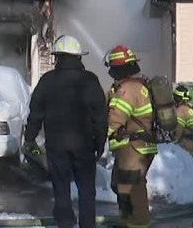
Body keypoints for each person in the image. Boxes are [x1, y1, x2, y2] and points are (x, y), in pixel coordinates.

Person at [24, 35, 107, 228]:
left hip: (56, 145)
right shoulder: (90, 80)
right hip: (85, 145)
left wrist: (30, 138)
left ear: (57, 57)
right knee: (87, 190)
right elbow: (100, 115)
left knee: (61, 187)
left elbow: (35, 113)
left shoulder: (47, 81)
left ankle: (65, 223)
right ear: (78, 57)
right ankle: (87, 224)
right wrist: (100, 142)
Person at [105, 45, 157, 228]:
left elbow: (116, 118)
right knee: (125, 187)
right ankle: (128, 222)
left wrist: (104, 134)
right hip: (144, 144)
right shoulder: (141, 85)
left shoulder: (126, 90)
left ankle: (138, 223)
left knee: (134, 190)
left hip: (132, 148)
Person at [173, 84, 193, 157]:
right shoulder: (189, 108)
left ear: (177, 98)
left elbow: (176, 135)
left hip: (189, 146)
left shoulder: (181, 110)